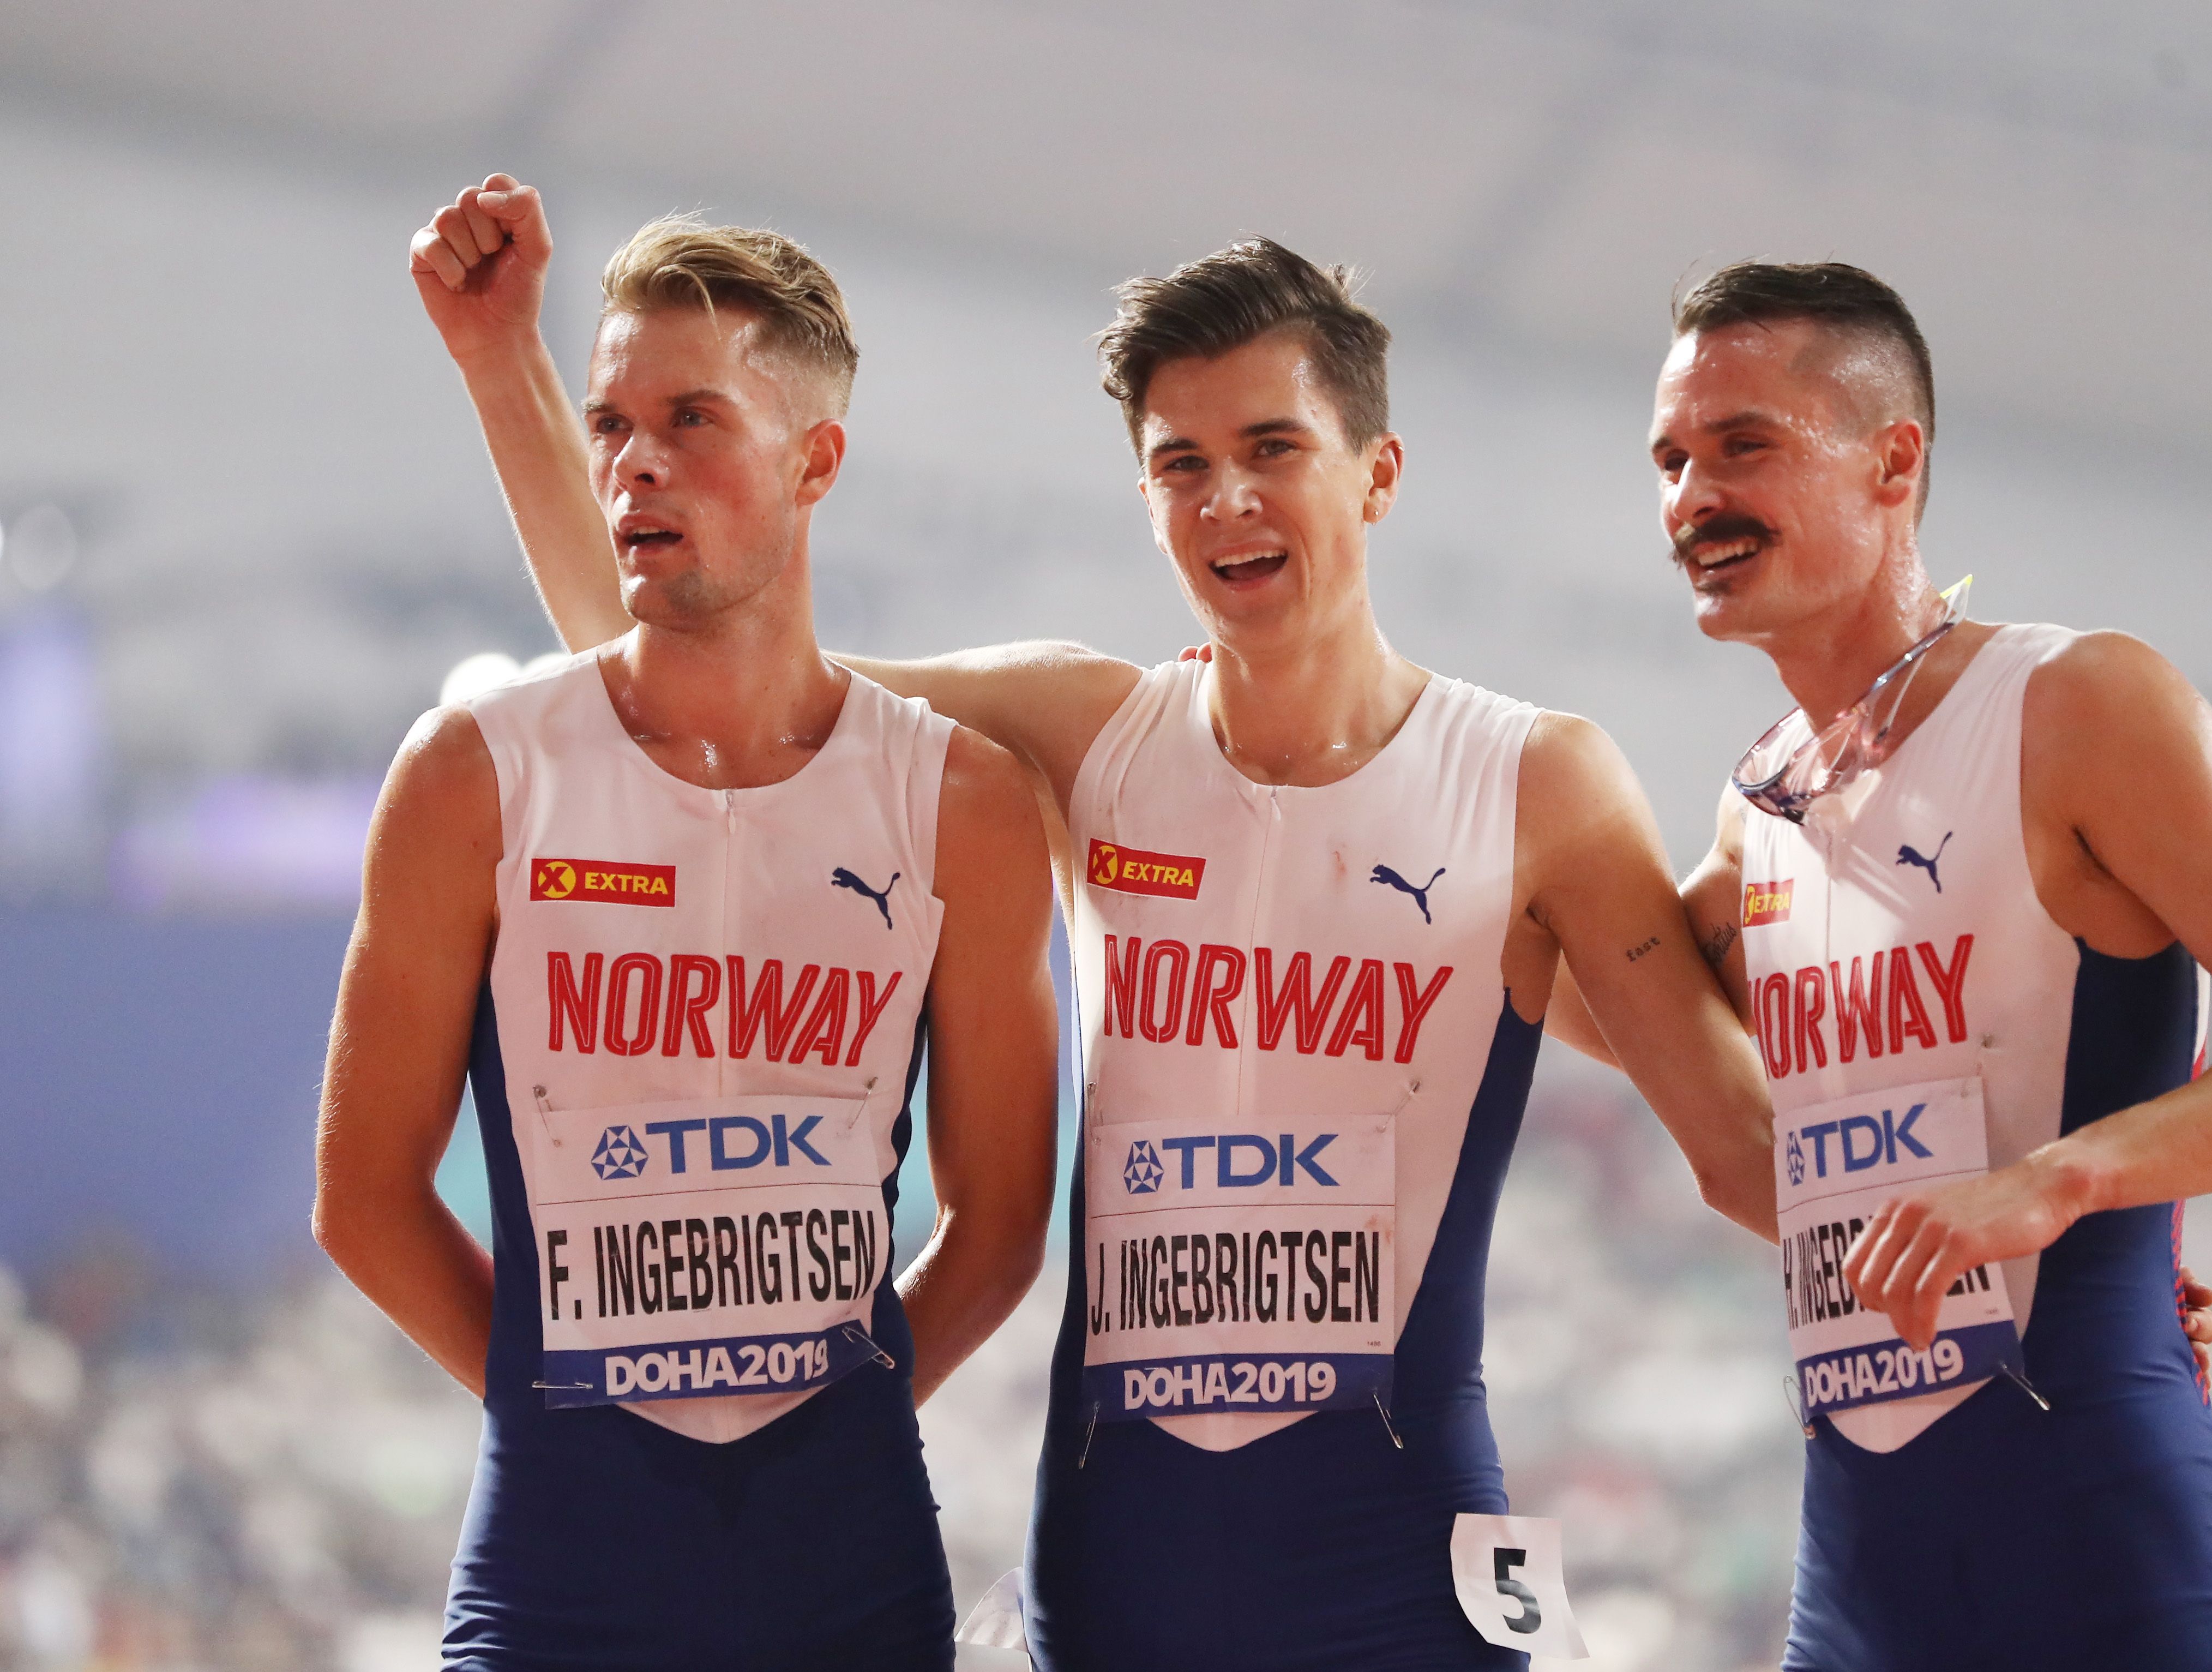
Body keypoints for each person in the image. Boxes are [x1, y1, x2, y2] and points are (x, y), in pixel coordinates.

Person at [408, 176, 1775, 1670]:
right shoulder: (1087, 735)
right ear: (1144, 497)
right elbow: (665, 657)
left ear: (1377, 473)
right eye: (1181, 463)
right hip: (1116, 1585)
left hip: (1405, 1584)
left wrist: (2052, 1182)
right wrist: (499, 366)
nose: (1227, 501)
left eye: (1273, 450)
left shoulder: (1538, 781)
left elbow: (1744, 1145)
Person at [1569, 259, 2212, 1670]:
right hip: (1860, 1584)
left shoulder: (2078, 704)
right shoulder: (1760, 809)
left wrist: (2055, 1181)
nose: (1690, 498)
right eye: (1669, 459)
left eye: (1743, 448)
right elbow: (1637, 1011)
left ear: (1891, 459)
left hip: (2108, 1554)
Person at [315, 193, 1060, 1669]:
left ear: (816, 461)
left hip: (851, 1571)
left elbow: (1000, 1225)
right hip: (554, 1570)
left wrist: (829, 1410)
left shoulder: (959, 801)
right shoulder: (472, 774)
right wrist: (561, 1398)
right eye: (609, 425)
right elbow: (363, 1197)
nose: (636, 460)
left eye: (693, 418)